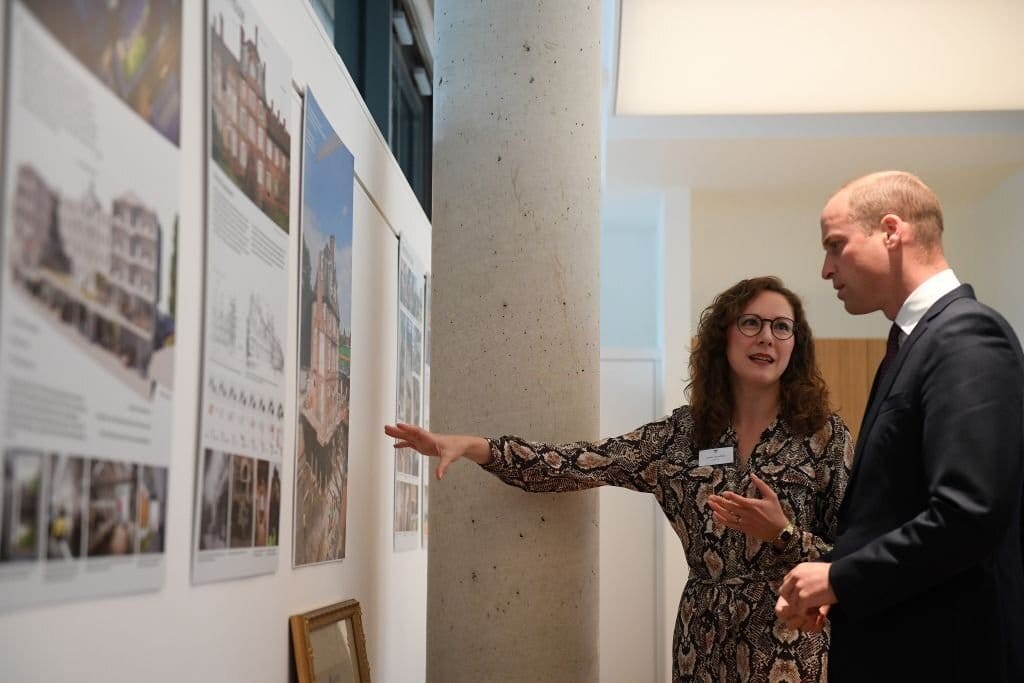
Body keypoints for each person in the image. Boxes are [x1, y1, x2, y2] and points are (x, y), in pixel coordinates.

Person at [387, 276, 854, 682]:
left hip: (790, 641)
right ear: (724, 337)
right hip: (702, 638)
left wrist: (783, 534)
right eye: (751, 323)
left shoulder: (824, 438)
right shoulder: (680, 436)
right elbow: (575, 462)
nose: (767, 338)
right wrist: (476, 447)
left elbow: (852, 556)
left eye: (781, 327)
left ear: (796, 343)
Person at [775, 171, 1024, 682]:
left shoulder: (965, 335)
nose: (826, 269)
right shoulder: (916, 343)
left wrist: (840, 579)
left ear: (891, 231)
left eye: (835, 246)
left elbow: (968, 514)